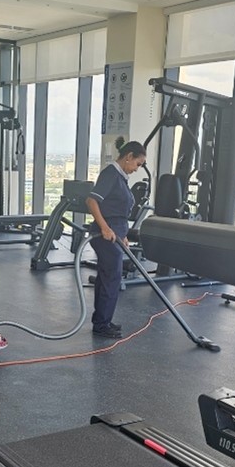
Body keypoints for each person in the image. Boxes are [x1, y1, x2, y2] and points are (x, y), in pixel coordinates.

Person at [85, 140, 147, 339]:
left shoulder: (120, 177)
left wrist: (123, 235)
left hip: (115, 236)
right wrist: (105, 228)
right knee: (111, 278)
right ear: (129, 156)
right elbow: (92, 201)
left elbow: (116, 210)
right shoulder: (111, 174)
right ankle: (101, 324)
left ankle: (102, 321)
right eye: (137, 164)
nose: (137, 169)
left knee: (107, 278)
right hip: (105, 236)